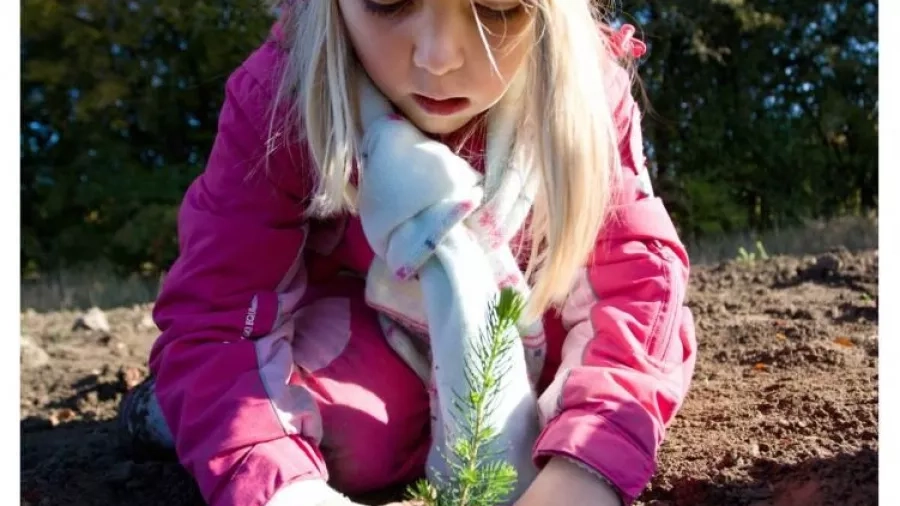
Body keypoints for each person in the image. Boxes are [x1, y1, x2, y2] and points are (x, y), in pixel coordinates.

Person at [118, 1, 697, 506]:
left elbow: (638, 284)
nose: (440, 55)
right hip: (362, 323)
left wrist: (584, 470)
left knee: (572, 396)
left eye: (498, 8)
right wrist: (281, 485)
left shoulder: (587, 93)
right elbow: (221, 310)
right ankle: (183, 412)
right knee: (362, 436)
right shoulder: (281, 96)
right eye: (388, 0)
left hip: (522, 325)